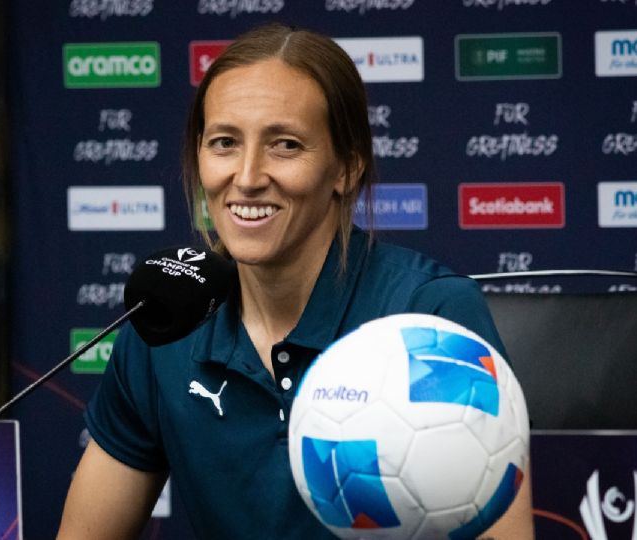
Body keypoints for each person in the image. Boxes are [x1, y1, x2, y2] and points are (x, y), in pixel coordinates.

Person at [57, 23, 533, 540]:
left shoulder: (431, 316)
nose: (247, 176)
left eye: (284, 145)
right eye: (224, 143)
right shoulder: (167, 323)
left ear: (347, 166)